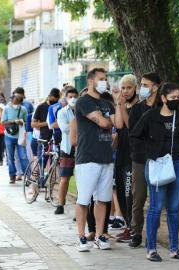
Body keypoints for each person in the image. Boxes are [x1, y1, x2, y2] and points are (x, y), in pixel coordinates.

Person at [130, 82, 179, 261]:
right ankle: (151, 249)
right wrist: (149, 155)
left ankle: (174, 248)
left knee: (174, 208)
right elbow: (134, 137)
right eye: (172, 97)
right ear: (163, 98)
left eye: (178, 98)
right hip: (157, 165)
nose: (176, 100)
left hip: (178, 166)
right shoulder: (150, 116)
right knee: (156, 207)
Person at [75, 68, 115, 252]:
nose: (104, 82)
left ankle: (99, 236)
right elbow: (105, 123)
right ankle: (82, 237)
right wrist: (108, 120)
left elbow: (119, 124)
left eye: (106, 79)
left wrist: (120, 103)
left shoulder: (108, 103)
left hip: (106, 158)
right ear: (91, 81)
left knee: (102, 200)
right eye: (101, 79)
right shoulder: (83, 101)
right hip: (88, 158)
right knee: (84, 200)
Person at [127, 72, 161, 248]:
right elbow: (133, 135)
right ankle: (136, 231)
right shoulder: (137, 109)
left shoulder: (163, 107)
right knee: (138, 196)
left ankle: (153, 233)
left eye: (146, 85)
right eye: (141, 85)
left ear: (155, 87)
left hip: (160, 161)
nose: (142, 88)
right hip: (140, 160)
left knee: (157, 199)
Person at [112, 74, 139, 242]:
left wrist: (121, 105)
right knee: (120, 192)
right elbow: (119, 125)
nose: (126, 91)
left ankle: (134, 228)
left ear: (135, 88)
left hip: (132, 156)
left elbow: (130, 125)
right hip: (120, 155)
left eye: (129, 87)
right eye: (123, 88)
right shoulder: (122, 104)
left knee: (130, 194)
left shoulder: (139, 107)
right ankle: (128, 227)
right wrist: (119, 104)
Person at [54, 87, 79, 215]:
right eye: (70, 96)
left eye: (75, 96)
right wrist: (77, 124)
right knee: (65, 178)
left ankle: (79, 210)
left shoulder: (82, 110)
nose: (73, 99)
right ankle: (60, 204)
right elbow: (65, 129)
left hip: (81, 148)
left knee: (81, 180)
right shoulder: (62, 112)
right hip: (67, 148)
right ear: (65, 97)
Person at [1, 94, 28, 184]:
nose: (15, 103)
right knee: (10, 157)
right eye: (14, 100)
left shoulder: (23, 109)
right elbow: (3, 122)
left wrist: (21, 122)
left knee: (23, 156)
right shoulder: (6, 108)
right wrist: (13, 121)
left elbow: (26, 121)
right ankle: (12, 176)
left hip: (20, 136)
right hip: (9, 136)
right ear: (12, 100)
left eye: (17, 101)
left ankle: (27, 176)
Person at [31, 88, 60, 166]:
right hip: (44, 138)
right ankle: (38, 177)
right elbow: (33, 124)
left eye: (56, 100)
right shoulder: (41, 107)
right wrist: (47, 123)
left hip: (56, 137)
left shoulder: (58, 107)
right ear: (49, 96)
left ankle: (52, 178)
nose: (54, 102)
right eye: (53, 99)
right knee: (41, 163)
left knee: (56, 163)